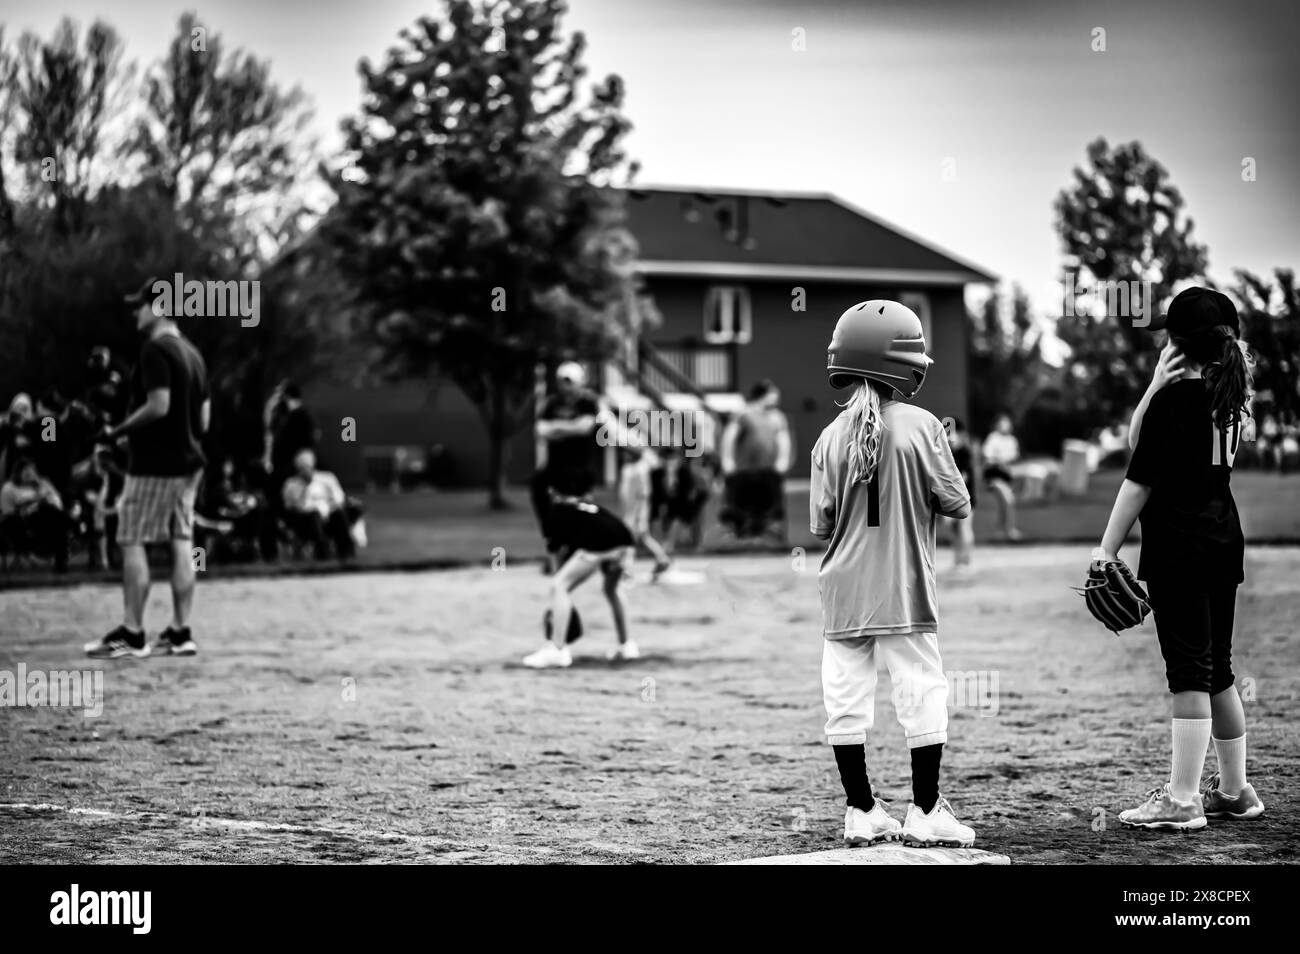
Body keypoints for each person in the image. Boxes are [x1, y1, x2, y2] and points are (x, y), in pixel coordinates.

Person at [1099, 286, 1263, 830]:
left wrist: (1106, 550)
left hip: (1179, 550)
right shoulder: (1231, 401)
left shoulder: (1171, 404)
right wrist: (1157, 386)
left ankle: (1183, 798)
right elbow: (1141, 442)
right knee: (1218, 670)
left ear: (1175, 344)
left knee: (1188, 674)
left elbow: (1137, 475)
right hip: (1222, 544)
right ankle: (1235, 791)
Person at [813, 300, 975, 848]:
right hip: (902, 587)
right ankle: (925, 809)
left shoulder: (827, 437)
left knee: (846, 698)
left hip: (842, 592)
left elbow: (821, 523)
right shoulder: (921, 425)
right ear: (897, 364)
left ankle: (861, 809)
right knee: (921, 690)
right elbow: (957, 503)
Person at [84, 276, 210, 659]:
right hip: (190, 464)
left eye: (140, 305)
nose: (136, 312)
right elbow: (203, 421)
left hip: (157, 464)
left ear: (159, 307)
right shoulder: (193, 354)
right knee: (181, 542)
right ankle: (179, 631)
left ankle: (133, 633)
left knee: (131, 538)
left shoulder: (155, 350)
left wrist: (119, 431)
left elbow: (159, 405)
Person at [522, 491, 637, 668]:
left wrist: (559, 605)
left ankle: (557, 649)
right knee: (611, 589)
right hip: (626, 543)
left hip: (600, 545)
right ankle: (627, 646)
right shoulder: (588, 507)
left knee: (558, 586)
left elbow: (557, 561)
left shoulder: (554, 514)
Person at [531, 362, 603, 565]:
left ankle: (575, 551)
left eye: (569, 382)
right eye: (562, 382)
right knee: (539, 490)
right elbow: (540, 430)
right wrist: (569, 427)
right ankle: (556, 543)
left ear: (579, 382)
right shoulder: (552, 403)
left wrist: (556, 429)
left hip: (580, 467)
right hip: (555, 466)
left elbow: (585, 427)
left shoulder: (588, 402)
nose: (565, 386)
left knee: (579, 508)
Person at [720, 380, 792, 541]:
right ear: (764, 394)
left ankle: (764, 532)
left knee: (769, 503)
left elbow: (783, 439)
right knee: (740, 502)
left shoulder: (778, 417)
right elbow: (729, 437)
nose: (777, 397)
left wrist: (783, 460)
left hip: (768, 470)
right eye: (774, 394)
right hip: (744, 469)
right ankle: (740, 532)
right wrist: (727, 460)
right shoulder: (743, 414)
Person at [281, 448, 356, 560]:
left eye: (307, 468)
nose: (305, 472)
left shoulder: (327, 479)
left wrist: (329, 508)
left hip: (328, 516)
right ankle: (322, 551)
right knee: (313, 516)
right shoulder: (291, 485)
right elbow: (288, 506)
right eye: (302, 469)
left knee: (339, 514)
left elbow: (338, 497)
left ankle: (346, 551)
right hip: (305, 520)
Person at [0, 457, 70, 571]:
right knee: (57, 518)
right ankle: (73, 526)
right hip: (26, 523)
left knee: (56, 517)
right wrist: (31, 505)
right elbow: (7, 513)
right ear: (17, 473)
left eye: (32, 471)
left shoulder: (43, 483)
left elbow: (58, 503)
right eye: (26, 471)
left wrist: (42, 488)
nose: (30, 474)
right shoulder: (9, 488)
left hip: (49, 521)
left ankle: (61, 562)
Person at [617, 442, 672, 580]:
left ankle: (627, 568)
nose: (624, 455)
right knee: (642, 537)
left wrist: (635, 514)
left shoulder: (639, 469)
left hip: (636, 510)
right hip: (631, 509)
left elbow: (642, 494)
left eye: (627, 452)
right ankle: (662, 558)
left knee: (630, 538)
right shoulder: (630, 468)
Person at [940, 417, 976, 573]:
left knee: (964, 527)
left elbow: (964, 476)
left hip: (964, 498)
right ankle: (958, 560)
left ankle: (966, 560)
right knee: (954, 530)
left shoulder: (963, 452)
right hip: (953, 498)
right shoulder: (949, 452)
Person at [980, 413, 1022, 540]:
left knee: (1007, 500)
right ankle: (1009, 530)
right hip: (994, 478)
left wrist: (1001, 460)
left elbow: (1013, 457)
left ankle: (1001, 531)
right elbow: (988, 458)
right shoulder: (993, 438)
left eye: (1007, 423)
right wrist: (1000, 460)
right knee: (1008, 499)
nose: (1005, 426)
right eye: (1003, 423)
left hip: (1006, 478)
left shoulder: (1012, 440)